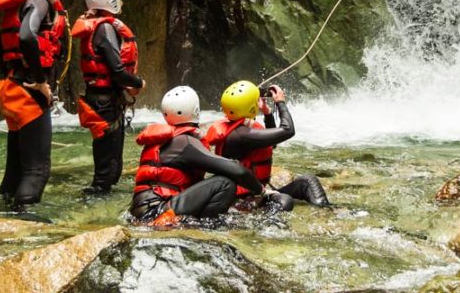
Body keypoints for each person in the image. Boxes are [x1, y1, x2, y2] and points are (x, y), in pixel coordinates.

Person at [0, 0, 68, 210]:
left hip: (11, 86)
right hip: (28, 90)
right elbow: (26, 36)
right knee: (37, 170)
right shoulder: (40, 1)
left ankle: (3, 211)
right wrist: (39, 80)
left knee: (16, 166)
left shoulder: (19, 3)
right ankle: (23, 219)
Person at [129, 86, 263, 226]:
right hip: (156, 213)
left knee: (217, 181)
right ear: (196, 111)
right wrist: (261, 191)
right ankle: (207, 229)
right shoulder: (185, 142)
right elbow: (236, 169)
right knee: (224, 183)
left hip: (142, 211)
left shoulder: (165, 140)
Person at [203, 81, 330, 211]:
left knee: (307, 181)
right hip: (245, 197)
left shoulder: (238, 129)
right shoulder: (241, 135)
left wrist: (267, 113)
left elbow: (272, 143)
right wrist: (280, 102)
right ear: (251, 107)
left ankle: (325, 213)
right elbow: (288, 130)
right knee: (285, 201)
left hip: (257, 191)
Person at [70, 0, 145, 194]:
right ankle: (96, 198)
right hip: (104, 101)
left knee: (110, 157)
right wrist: (139, 83)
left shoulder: (98, 27)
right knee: (107, 160)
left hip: (102, 97)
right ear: (110, 2)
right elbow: (118, 71)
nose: (121, 3)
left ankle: (102, 194)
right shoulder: (105, 29)